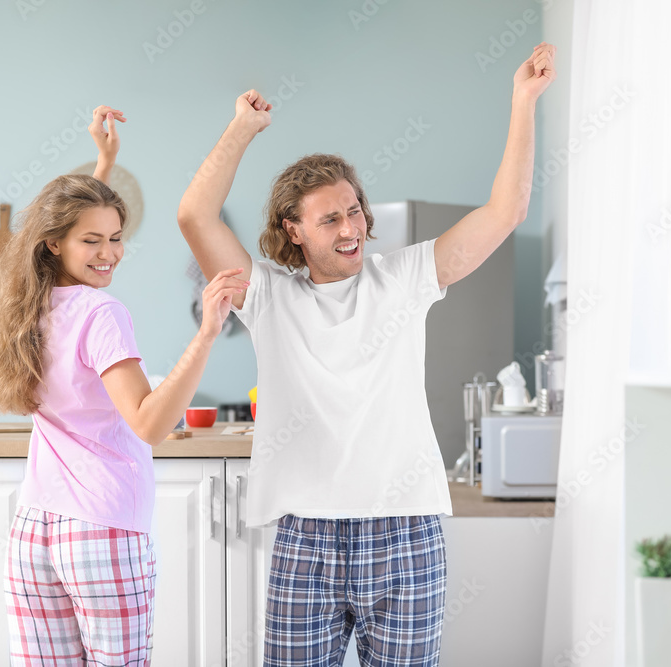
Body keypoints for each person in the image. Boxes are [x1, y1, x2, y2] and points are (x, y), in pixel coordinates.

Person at [177, 45, 556, 666]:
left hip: (405, 531)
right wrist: (241, 130)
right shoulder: (268, 297)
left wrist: (522, 102)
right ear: (292, 229)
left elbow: (505, 212)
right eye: (330, 219)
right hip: (306, 537)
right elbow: (194, 214)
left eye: (354, 208)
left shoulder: (405, 279)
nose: (351, 226)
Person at [0, 105, 248, 666]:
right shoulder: (101, 313)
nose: (109, 253)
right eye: (93, 241)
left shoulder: (26, 307)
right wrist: (207, 331)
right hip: (102, 532)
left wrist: (106, 162)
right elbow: (149, 424)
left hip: (34, 535)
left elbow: (72, 222)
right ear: (56, 243)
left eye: (117, 238)